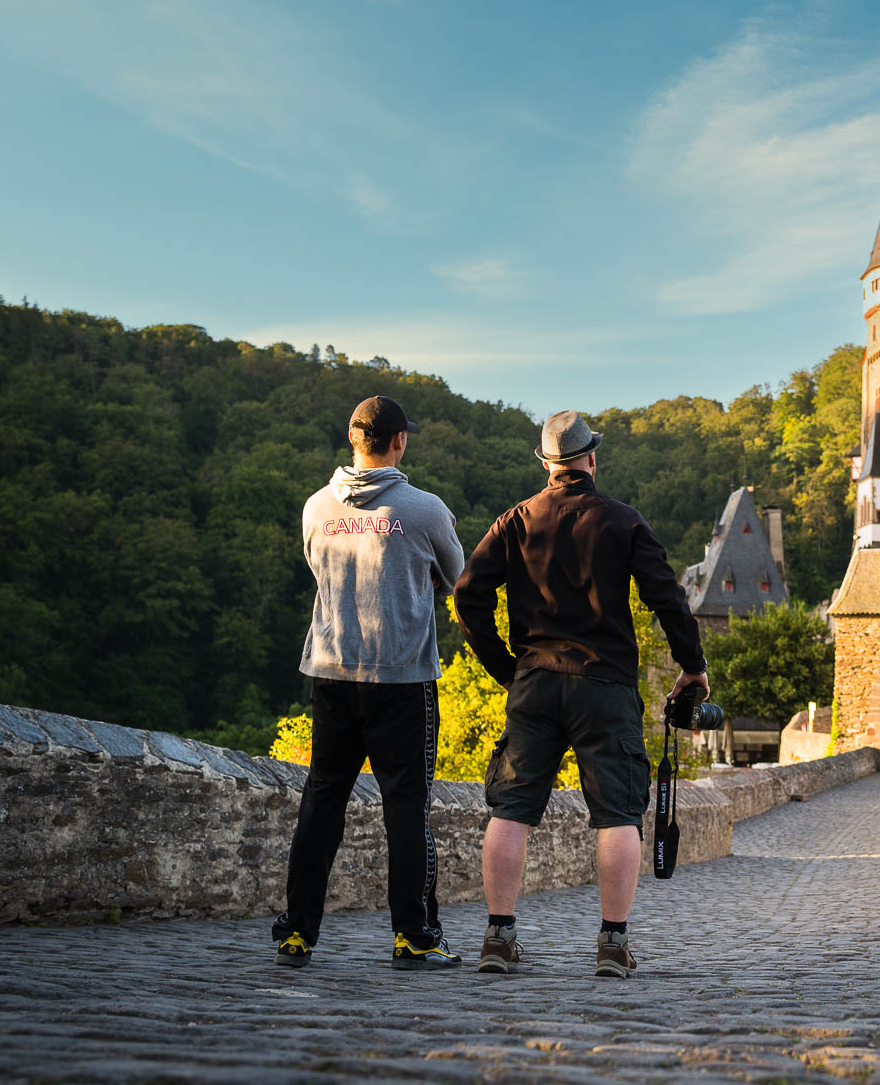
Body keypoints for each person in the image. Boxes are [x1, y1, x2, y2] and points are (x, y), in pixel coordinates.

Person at [454, 410, 708, 978]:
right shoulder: (623, 522)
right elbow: (668, 598)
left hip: (536, 681)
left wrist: (508, 668)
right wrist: (692, 667)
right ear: (591, 458)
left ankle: (498, 936)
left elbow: (468, 596)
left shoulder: (514, 521)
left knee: (512, 809)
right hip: (605, 684)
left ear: (546, 463)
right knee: (617, 814)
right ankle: (612, 946)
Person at [273, 395, 466, 971]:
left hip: (331, 672)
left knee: (322, 802)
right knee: (406, 808)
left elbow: (326, 573)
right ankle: (414, 935)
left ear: (353, 438)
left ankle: (298, 932)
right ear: (400, 440)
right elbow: (460, 577)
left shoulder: (316, 507)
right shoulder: (424, 509)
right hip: (400, 676)